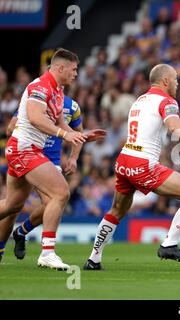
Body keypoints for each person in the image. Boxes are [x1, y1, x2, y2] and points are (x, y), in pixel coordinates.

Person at [83, 64, 180, 270]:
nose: (177, 83)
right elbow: (176, 128)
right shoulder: (166, 101)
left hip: (124, 160)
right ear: (165, 81)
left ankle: (93, 259)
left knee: (116, 210)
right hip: (142, 163)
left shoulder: (139, 100)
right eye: (175, 79)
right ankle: (169, 244)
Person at [0, 49, 90, 270]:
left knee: (12, 205)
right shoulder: (40, 87)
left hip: (28, 150)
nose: (76, 74)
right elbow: (35, 117)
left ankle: (32, 242)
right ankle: (47, 253)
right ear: (60, 68)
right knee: (60, 193)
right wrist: (64, 135)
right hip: (24, 149)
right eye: (74, 69)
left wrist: (80, 135)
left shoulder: (57, 90)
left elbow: (61, 124)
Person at [0, 96, 105, 262]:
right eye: (73, 70)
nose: (75, 74)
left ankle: (23, 233)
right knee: (13, 206)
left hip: (51, 159)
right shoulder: (35, 99)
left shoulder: (73, 107)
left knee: (53, 201)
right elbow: (10, 129)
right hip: (27, 152)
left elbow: (77, 133)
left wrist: (73, 158)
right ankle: (4, 247)